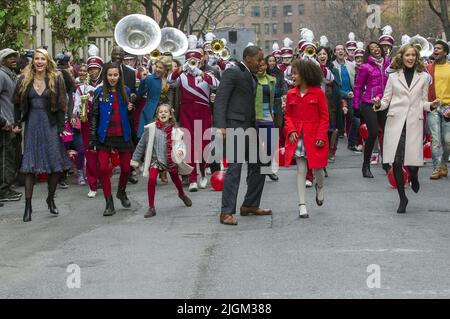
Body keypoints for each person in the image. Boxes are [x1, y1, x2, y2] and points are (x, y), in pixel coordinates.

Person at [373, 44, 441, 214]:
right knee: (395, 161)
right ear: (401, 57)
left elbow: (423, 102)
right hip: (396, 122)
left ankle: (413, 175)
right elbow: (386, 101)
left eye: (413, 55)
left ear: (416, 57)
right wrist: (378, 103)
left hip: (414, 122)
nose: (410, 58)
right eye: (407, 55)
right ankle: (403, 198)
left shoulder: (424, 77)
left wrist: (431, 105)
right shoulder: (393, 77)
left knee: (411, 162)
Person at [213, 46, 271, 226]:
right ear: (247, 58)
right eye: (258, 59)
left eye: (262, 60)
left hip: (250, 128)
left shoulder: (252, 75)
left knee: (261, 163)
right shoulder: (233, 72)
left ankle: (250, 205)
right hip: (234, 126)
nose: (261, 63)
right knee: (235, 168)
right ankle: (226, 213)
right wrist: (221, 126)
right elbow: (221, 100)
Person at [13, 48, 72, 222]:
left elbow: (62, 104)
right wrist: (17, 122)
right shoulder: (23, 79)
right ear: (33, 61)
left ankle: (50, 198)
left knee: (55, 165)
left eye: (43, 59)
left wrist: (62, 127)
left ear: (48, 61)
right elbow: (16, 103)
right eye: (37, 59)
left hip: (51, 124)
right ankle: (28, 206)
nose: (39, 62)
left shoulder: (56, 78)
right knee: (30, 167)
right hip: (31, 124)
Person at [168, 48, 220, 192]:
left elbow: (217, 84)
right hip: (187, 113)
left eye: (195, 61)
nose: (192, 64)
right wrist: (179, 69)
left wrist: (201, 73)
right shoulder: (182, 76)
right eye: (190, 61)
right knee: (189, 145)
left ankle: (203, 173)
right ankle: (192, 179)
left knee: (203, 145)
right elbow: (170, 81)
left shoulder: (207, 75)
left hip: (203, 112)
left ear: (200, 61)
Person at [282, 59, 329, 218]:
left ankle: (320, 186)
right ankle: (302, 205)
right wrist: (291, 130)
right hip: (298, 137)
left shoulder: (318, 93)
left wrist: (322, 135)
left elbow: (324, 117)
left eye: (295, 73)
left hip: (315, 136)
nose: (292, 76)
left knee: (317, 168)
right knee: (301, 169)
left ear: (305, 74)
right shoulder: (291, 93)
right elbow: (287, 115)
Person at [130, 104, 193, 218]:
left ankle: (181, 194)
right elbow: (141, 145)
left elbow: (180, 144)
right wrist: (135, 160)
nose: (163, 113)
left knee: (176, 180)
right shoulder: (151, 128)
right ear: (157, 115)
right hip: (156, 160)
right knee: (152, 179)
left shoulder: (175, 130)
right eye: (161, 112)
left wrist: (180, 151)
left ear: (170, 115)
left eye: (166, 112)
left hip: (170, 159)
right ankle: (151, 207)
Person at [89, 62, 134, 216]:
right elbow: (94, 115)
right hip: (104, 135)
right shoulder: (99, 92)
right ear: (105, 76)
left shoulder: (126, 91)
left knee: (127, 168)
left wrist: (130, 109)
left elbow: (129, 116)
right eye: (110, 75)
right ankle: (109, 202)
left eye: (115, 75)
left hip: (123, 134)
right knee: (102, 168)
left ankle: (121, 191)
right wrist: (92, 138)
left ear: (119, 76)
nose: (113, 78)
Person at [353, 41, 391, 178]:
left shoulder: (389, 64)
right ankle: (366, 165)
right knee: (374, 132)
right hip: (369, 103)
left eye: (377, 47)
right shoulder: (365, 67)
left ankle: (386, 164)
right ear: (369, 52)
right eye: (372, 49)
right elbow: (358, 87)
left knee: (387, 134)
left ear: (381, 49)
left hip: (384, 103)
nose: (375, 50)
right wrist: (356, 105)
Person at [136, 56, 173, 184]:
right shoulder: (150, 79)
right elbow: (140, 93)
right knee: (152, 144)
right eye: (156, 66)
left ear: (166, 69)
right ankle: (154, 170)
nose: (157, 69)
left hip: (167, 113)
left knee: (166, 142)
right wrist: (142, 81)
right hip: (151, 113)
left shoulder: (171, 80)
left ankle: (164, 171)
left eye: (160, 67)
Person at [0, 48, 23, 203]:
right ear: (2, 60)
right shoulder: (1, 75)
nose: (13, 58)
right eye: (9, 57)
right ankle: (3, 190)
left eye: (15, 56)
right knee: (5, 158)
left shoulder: (11, 74)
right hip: (4, 125)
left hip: (12, 124)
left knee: (11, 157)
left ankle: (6, 187)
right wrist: (3, 121)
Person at [426, 40, 450, 180]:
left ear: (445, 52)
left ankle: (443, 165)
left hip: (448, 107)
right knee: (435, 139)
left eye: (439, 48)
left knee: (447, 141)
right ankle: (436, 168)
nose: (435, 50)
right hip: (433, 106)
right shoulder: (428, 68)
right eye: (434, 48)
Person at [255, 58, 279, 181]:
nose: (261, 67)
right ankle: (257, 171)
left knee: (271, 142)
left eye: (263, 64)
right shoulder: (251, 79)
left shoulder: (271, 80)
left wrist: (273, 112)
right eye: (258, 64)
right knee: (256, 145)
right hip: (254, 115)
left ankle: (267, 167)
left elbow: (273, 98)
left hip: (267, 114)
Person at [73, 63, 96, 193]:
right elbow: (76, 105)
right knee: (84, 148)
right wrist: (75, 114)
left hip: (96, 121)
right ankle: (85, 173)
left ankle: (97, 174)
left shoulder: (99, 86)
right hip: (84, 121)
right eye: (89, 70)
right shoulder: (80, 88)